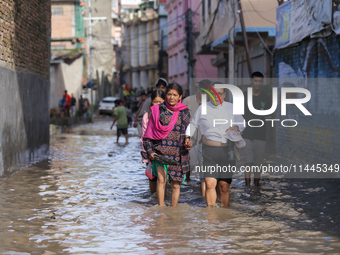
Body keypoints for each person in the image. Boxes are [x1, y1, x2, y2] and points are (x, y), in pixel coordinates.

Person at [186, 81, 246, 207]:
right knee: (209, 184)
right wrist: (187, 136)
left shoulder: (231, 107)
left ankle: (223, 216)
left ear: (224, 95)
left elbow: (242, 124)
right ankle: (211, 219)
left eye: (219, 93)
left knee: (224, 187)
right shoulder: (203, 108)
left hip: (227, 152)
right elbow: (193, 124)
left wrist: (236, 127)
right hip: (209, 151)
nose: (216, 96)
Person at [143, 83, 190, 206]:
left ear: (180, 96)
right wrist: (150, 152)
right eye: (169, 94)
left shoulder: (184, 112)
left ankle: (174, 211)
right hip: (160, 152)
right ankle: (161, 209)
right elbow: (148, 135)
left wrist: (190, 141)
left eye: (175, 95)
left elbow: (189, 132)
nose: (172, 97)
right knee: (161, 180)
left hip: (178, 153)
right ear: (166, 95)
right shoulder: (158, 110)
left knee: (175, 184)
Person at [241, 71, 272, 186]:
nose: (258, 83)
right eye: (256, 81)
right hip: (246, 134)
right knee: (248, 162)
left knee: (258, 164)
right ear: (251, 81)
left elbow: (269, 116)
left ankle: (257, 186)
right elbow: (238, 115)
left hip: (261, 134)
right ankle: (247, 186)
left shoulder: (266, 98)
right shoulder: (244, 96)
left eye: (260, 81)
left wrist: (268, 133)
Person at [182, 79, 212, 194]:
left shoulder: (212, 103)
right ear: (198, 89)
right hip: (190, 140)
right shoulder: (188, 101)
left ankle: (203, 195)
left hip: (205, 141)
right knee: (189, 165)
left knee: (203, 171)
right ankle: (187, 183)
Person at [141, 90, 166, 194]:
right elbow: (144, 135)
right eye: (156, 102)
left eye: (161, 102)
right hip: (150, 149)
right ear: (151, 102)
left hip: (165, 150)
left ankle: (164, 197)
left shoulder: (168, 115)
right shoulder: (147, 116)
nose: (158, 104)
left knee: (163, 177)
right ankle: (153, 197)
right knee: (152, 177)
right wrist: (147, 153)